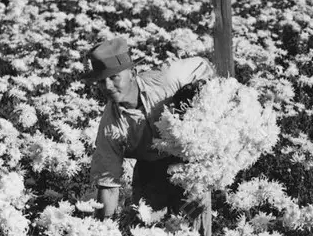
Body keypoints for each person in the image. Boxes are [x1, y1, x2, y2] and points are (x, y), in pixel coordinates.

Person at [85, 37, 216, 221]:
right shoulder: (111, 127)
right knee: (146, 226)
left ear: (132, 72)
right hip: (150, 168)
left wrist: (199, 94)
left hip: (188, 160)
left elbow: (204, 67)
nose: (107, 86)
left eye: (114, 77)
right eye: (101, 81)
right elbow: (108, 186)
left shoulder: (168, 80)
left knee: (195, 224)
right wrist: (104, 232)